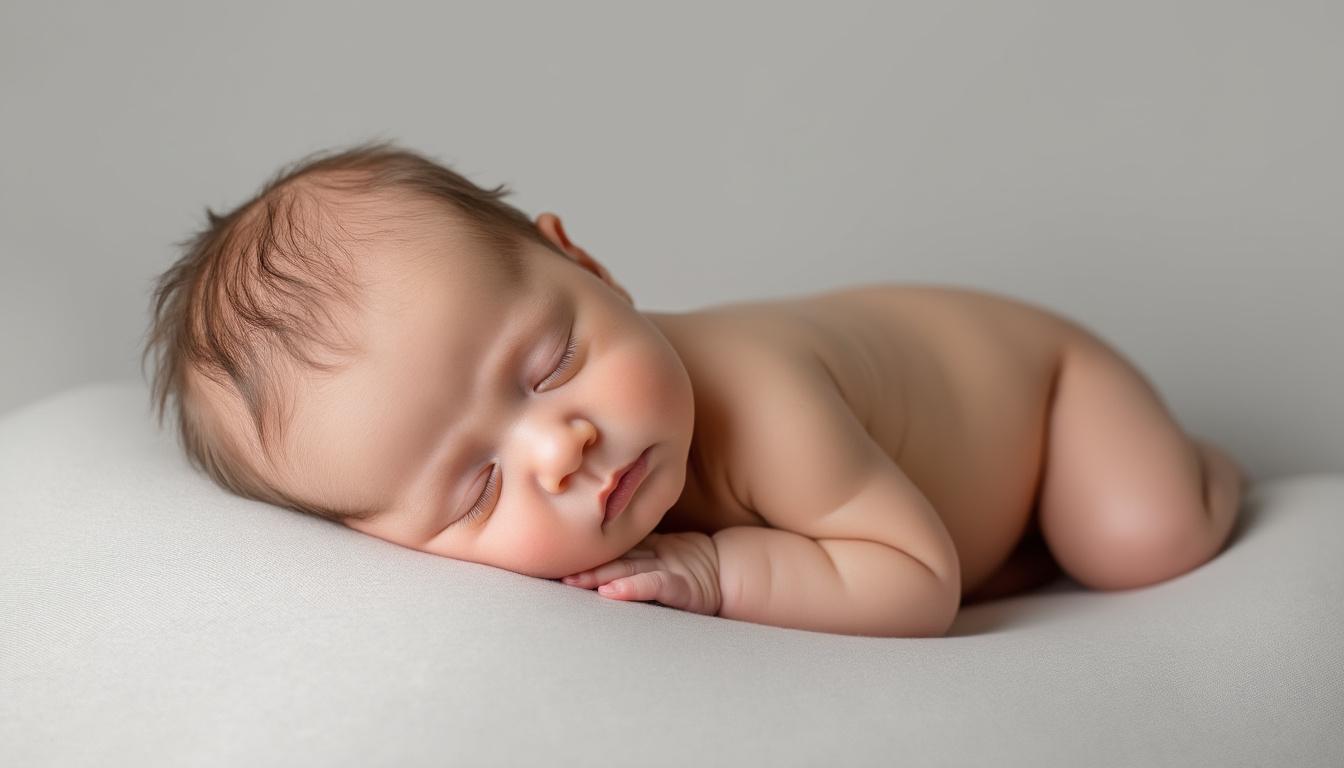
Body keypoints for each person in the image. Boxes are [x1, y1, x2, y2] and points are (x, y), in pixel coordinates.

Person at [142, 140, 1246, 638]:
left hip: (1042, 394)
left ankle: (1206, 467)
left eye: (549, 366)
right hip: (945, 483)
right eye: (477, 489)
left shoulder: (766, 405)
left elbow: (918, 583)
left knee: (1140, 540)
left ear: (585, 264)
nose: (560, 448)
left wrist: (719, 572)